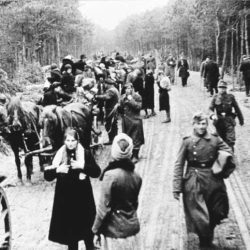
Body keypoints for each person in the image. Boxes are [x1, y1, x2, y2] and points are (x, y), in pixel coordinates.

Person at [173, 112, 235, 248]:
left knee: (215, 211)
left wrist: (222, 168)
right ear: (193, 125)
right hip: (194, 180)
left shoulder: (214, 139)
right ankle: (205, 241)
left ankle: (207, 238)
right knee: (200, 214)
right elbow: (179, 164)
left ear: (207, 124)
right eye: (198, 124)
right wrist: (177, 187)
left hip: (213, 179)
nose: (201, 127)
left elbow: (228, 152)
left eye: (204, 124)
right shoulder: (187, 141)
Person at [44, 128, 101, 250]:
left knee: (87, 232)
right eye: (68, 140)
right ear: (64, 141)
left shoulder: (85, 153)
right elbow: (47, 176)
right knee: (71, 236)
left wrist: (82, 166)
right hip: (66, 201)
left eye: (73, 140)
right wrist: (57, 170)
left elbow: (97, 172)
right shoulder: (59, 155)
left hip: (83, 199)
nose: (70, 143)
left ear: (77, 141)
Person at [92, 133, 142, 249]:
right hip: (133, 230)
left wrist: (95, 230)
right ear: (129, 152)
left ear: (114, 151)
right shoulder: (136, 177)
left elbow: (103, 208)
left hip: (115, 233)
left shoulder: (110, 176)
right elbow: (135, 204)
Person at [209, 80, 244, 150]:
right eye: (220, 87)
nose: (222, 89)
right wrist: (212, 115)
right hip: (219, 122)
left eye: (224, 88)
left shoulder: (230, 97)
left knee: (230, 141)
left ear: (226, 88)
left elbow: (237, 108)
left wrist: (241, 119)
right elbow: (210, 109)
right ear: (218, 88)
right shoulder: (215, 97)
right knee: (219, 141)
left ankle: (231, 157)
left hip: (229, 121)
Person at [119, 83, 144, 164]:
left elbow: (138, 107)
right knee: (127, 137)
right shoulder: (123, 96)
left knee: (136, 138)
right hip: (126, 121)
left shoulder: (137, 96)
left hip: (135, 120)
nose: (127, 90)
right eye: (126, 88)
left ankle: (135, 155)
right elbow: (121, 107)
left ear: (132, 89)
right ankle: (129, 154)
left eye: (129, 88)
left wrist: (130, 99)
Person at [95, 78, 120, 145]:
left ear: (108, 84)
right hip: (113, 109)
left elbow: (106, 97)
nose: (104, 85)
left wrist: (96, 96)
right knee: (114, 125)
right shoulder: (114, 89)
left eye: (105, 84)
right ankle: (114, 139)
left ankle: (111, 140)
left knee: (110, 125)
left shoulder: (111, 91)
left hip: (111, 110)